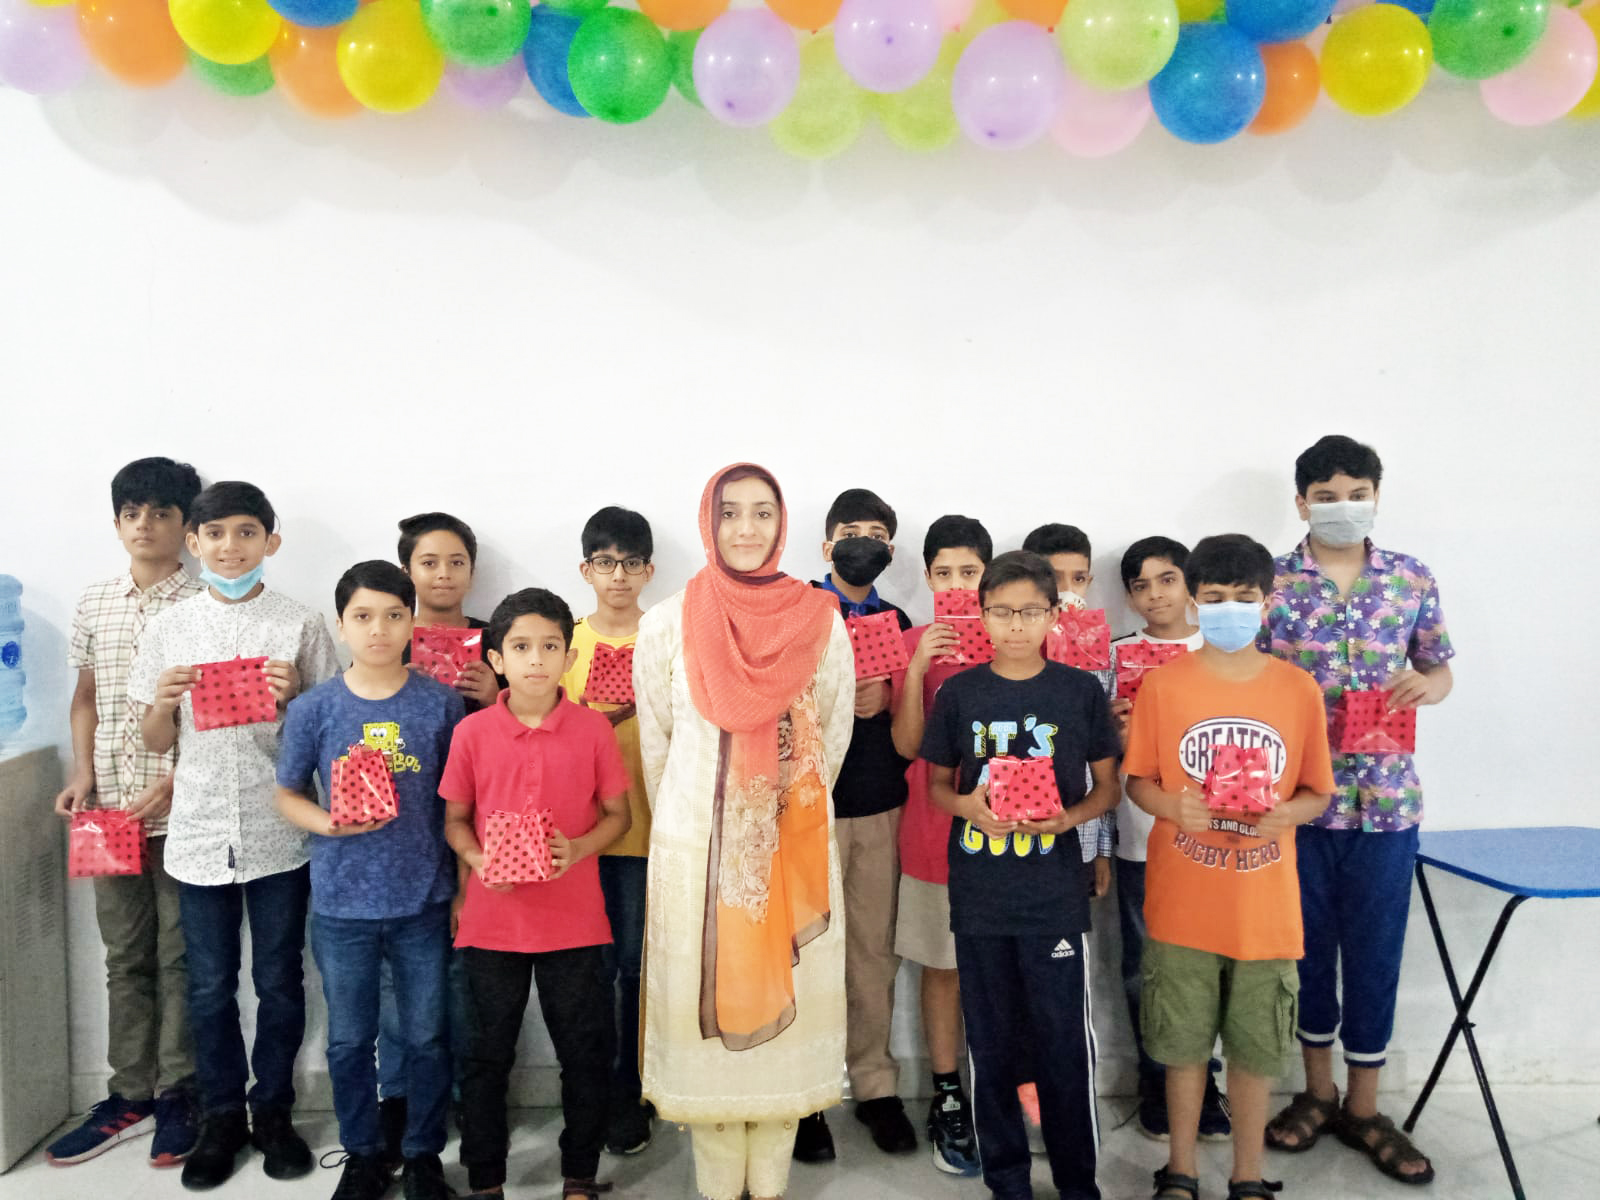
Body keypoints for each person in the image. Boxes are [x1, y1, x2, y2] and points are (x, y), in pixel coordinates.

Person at [634, 463, 854, 1200]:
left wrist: (769, 819)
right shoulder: (668, 622)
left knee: (786, 1043)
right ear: (709, 521)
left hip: (791, 851)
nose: (747, 528)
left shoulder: (821, 620)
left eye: (763, 512)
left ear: (783, 523)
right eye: (730, 512)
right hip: (695, 855)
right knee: (711, 1051)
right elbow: (658, 749)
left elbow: (833, 736)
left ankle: (772, 1188)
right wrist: (705, 822)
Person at [129, 480, 340, 1190]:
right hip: (196, 833)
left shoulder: (300, 623)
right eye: (214, 534)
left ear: (269, 541)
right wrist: (163, 703)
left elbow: (329, 729)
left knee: (279, 981)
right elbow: (156, 739)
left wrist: (296, 696)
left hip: (279, 831)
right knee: (209, 986)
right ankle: (221, 1116)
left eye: (246, 532)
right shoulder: (170, 626)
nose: (230, 547)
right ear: (193, 542)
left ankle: (272, 1111)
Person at [1261, 436, 1454, 1187]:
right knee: (1305, 953)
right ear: (1302, 502)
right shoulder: (1272, 584)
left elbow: (1438, 669)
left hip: (1387, 805)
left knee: (1375, 954)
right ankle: (1318, 1094)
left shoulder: (1411, 577)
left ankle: (1366, 1109)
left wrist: (1425, 687)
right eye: (1327, 496)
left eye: (1357, 493)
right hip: (1299, 806)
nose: (1343, 506)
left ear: (1376, 496)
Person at [1122, 534, 1336, 1200]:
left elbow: (1318, 792)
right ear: (1194, 600)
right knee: (1182, 1047)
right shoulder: (1163, 685)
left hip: (1265, 912)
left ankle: (1247, 1173)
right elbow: (1138, 781)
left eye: (1244, 598)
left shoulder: (1297, 689)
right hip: (1182, 905)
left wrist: (1286, 814)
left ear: (1268, 603)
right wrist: (1172, 807)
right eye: (1214, 598)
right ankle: (1180, 1168)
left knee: (1255, 1050)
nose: (1229, 609)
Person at [921, 549, 1121, 1200]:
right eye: (1001, 611)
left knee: (1063, 1044)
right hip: (979, 897)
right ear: (981, 615)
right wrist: (970, 807)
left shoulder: (1078, 691)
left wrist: (1067, 821)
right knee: (992, 1045)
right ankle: (1007, 1181)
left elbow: (1108, 788)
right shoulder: (959, 694)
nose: (1014, 625)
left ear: (1053, 614)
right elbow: (937, 787)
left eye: (1030, 611)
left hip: (1053, 897)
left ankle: (1077, 1182)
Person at [274, 561, 465, 1200]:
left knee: (427, 1036)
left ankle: (423, 1155)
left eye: (392, 615)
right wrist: (327, 824)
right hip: (341, 904)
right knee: (350, 1040)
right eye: (362, 616)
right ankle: (362, 1155)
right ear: (341, 625)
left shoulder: (440, 705)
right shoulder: (315, 708)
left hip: (424, 900)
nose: (378, 629)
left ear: (412, 623)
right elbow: (287, 792)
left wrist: (463, 891)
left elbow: (459, 805)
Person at [440, 588, 632, 1200]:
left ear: (568, 658)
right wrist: (479, 861)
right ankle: (485, 1181)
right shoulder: (472, 733)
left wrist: (576, 849)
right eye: (521, 647)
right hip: (491, 922)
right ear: (497, 659)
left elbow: (619, 816)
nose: (536, 659)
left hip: (575, 921)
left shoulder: (592, 730)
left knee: (585, 1052)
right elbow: (455, 821)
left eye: (550, 646)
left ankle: (579, 1175)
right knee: (485, 1056)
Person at [49, 457, 205, 1168]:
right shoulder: (95, 602)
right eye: (132, 513)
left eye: (161, 513)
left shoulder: (205, 603)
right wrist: (81, 771)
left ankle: (180, 1092)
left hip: (183, 809)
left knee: (180, 956)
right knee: (123, 956)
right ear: (116, 523)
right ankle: (128, 1093)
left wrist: (177, 777)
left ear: (185, 525)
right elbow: (86, 697)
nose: (145, 525)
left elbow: (216, 713)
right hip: (107, 810)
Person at [792, 487, 917, 1162]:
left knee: (873, 951)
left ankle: (875, 1085)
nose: (862, 542)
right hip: (805, 810)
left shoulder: (899, 621)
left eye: (875, 533)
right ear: (826, 545)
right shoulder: (794, 611)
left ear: (889, 549)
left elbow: (913, 723)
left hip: (878, 805)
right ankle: (807, 1093)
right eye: (849, 532)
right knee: (805, 955)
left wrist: (890, 694)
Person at [381, 510, 494, 1162]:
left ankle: (464, 1094)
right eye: (429, 562)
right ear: (408, 571)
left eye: (456, 562)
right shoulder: (386, 639)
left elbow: (528, 729)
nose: (444, 574)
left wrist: (494, 695)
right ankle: (400, 1097)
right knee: (403, 976)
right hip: (403, 830)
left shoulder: (497, 641)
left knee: (465, 975)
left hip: (480, 828)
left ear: (472, 571)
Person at [1107, 538, 1228, 1142]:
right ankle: (1156, 1082)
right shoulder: (1113, 655)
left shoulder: (1226, 649)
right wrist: (1113, 731)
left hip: (1221, 840)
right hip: (1140, 837)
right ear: (1129, 597)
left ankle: (1206, 1084)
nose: (1155, 594)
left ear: (1191, 584)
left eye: (1167, 579)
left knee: (1213, 964)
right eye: (1140, 585)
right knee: (1146, 966)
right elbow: (1092, 750)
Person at [888, 514, 991, 1177]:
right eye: (944, 572)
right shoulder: (912, 642)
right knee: (942, 968)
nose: (957, 583)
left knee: (1006, 970)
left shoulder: (1015, 637)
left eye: (969, 572)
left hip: (1010, 837)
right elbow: (904, 745)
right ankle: (948, 1094)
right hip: (933, 831)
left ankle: (1007, 1090)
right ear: (927, 578)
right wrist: (919, 664)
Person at [559, 505, 658, 1156]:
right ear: (585, 570)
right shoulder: (563, 643)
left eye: (630, 563)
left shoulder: (666, 639)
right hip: (574, 836)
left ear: (648, 571)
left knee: (633, 968)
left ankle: (632, 1090)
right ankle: (586, 1091)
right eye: (605, 562)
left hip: (649, 831)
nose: (617, 575)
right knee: (583, 970)